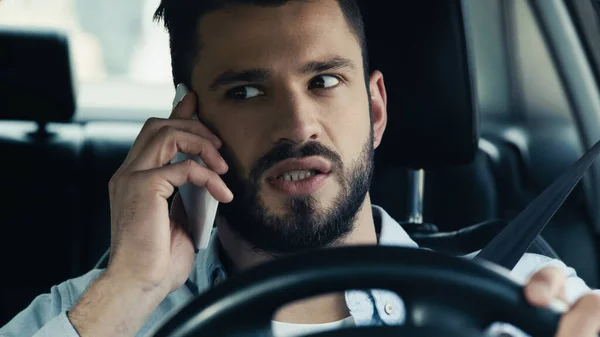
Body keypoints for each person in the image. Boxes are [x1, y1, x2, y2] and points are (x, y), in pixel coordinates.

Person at [2, 0, 600, 336]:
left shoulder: (526, 299)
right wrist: (131, 289)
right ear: (188, 122)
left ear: (374, 108)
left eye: (324, 80)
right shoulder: (95, 314)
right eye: (245, 92)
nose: (296, 124)